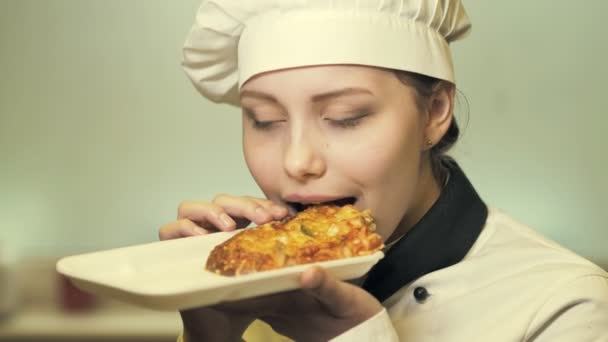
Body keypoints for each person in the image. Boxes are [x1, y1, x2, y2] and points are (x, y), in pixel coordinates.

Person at [159, 1, 608, 341]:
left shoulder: (568, 305)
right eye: (265, 120)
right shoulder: (261, 288)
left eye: (345, 116)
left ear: (434, 112)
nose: (297, 162)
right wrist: (210, 333)